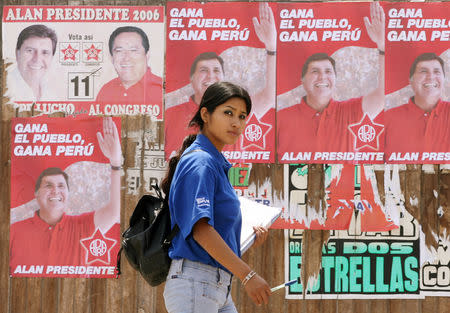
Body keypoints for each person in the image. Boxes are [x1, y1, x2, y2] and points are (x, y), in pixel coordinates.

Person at [163, 82, 271, 312]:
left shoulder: (213, 163)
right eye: (228, 113)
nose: (236, 122)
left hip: (215, 284)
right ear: (206, 114)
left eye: (242, 116)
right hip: (196, 282)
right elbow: (200, 230)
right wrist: (248, 275)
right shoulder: (200, 162)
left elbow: (211, 232)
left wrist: (247, 240)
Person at [164, 2, 276, 159]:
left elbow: (269, 97)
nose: (210, 76)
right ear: (191, 78)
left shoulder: (236, 109)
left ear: (223, 77)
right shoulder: (172, 113)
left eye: (216, 70)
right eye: (203, 70)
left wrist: (271, 47)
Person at [9, 117, 121, 269]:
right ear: (36, 193)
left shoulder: (81, 226)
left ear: (68, 193)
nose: (56, 190)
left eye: (61, 186)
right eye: (48, 185)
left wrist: (115, 163)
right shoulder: (15, 230)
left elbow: (113, 213)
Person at [277, 2, 385, 155]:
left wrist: (382, 46)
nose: (322, 77)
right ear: (302, 79)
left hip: (340, 179)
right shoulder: (282, 117)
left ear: (335, 78)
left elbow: (383, 95)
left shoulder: (352, 111)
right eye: (315, 71)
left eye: (328, 71)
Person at [385, 52, 449, 155]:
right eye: (423, 71)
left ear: (443, 79)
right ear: (410, 80)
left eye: (437, 72)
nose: (431, 77)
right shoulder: (388, 118)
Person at [96, 26, 162, 105]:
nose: (127, 58)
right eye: (119, 51)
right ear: (111, 57)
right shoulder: (106, 91)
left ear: (147, 55)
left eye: (133, 50)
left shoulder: (162, 90)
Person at [6, 24, 57, 102]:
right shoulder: (5, 90)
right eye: (30, 51)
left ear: (52, 57)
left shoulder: (51, 95)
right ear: (17, 53)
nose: (37, 59)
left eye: (45, 52)